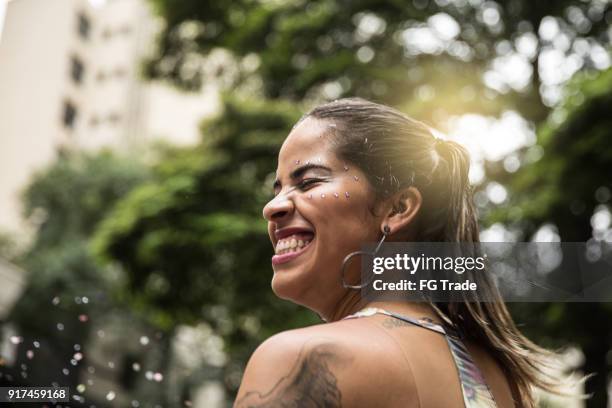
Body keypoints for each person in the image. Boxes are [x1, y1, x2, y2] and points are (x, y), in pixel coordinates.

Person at [234, 98, 562, 407]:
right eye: (276, 189)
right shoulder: (501, 377)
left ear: (398, 208)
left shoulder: (305, 360)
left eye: (308, 182)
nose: (272, 208)